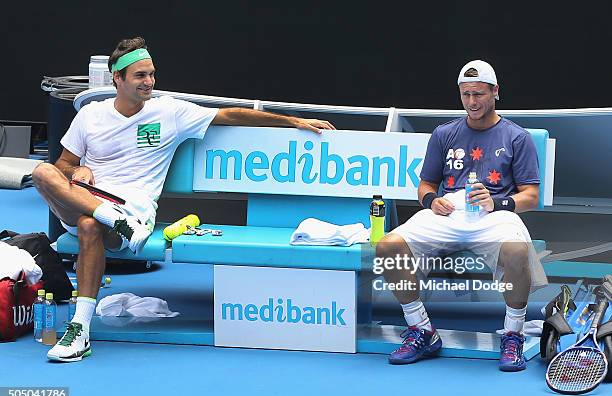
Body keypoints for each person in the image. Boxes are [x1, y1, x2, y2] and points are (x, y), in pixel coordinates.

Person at [32, 37, 335, 362]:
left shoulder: (170, 112)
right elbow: (64, 164)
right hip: (95, 203)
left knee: (88, 224)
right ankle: (110, 217)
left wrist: (294, 122)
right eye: (140, 76)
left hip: (132, 208)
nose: (149, 82)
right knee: (42, 173)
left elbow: (230, 116)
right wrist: (81, 170)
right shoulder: (91, 115)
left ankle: (80, 329)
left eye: (151, 74)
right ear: (117, 78)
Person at [376, 60, 547, 371]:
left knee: (517, 250)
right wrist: (431, 200)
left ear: (495, 92)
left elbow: (531, 196)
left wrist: (499, 203)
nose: (472, 102)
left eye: (479, 94)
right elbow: (425, 184)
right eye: (466, 94)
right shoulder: (444, 134)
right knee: (388, 246)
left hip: (494, 211)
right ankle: (421, 329)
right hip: (450, 211)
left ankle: (513, 334)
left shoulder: (516, 137)